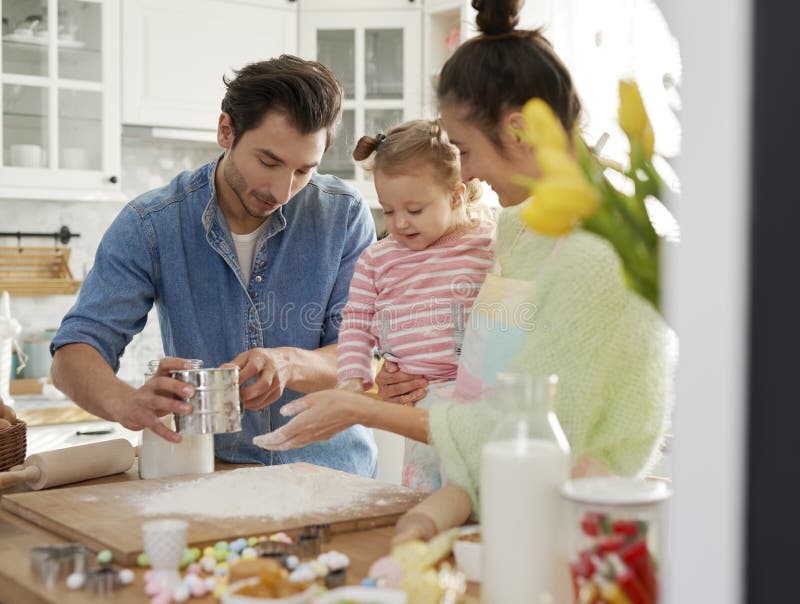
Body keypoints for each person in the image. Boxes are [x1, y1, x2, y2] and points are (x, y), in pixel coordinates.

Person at [254, 0, 676, 539]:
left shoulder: (599, 258)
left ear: (519, 131)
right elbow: (483, 388)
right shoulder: (523, 233)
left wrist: (364, 410)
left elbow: (524, 435)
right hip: (502, 518)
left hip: (579, 538)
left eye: (466, 149)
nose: (466, 171)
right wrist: (401, 387)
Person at [50, 55, 378, 477]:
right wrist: (125, 402)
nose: (282, 190)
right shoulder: (152, 223)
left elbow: (363, 358)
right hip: (211, 474)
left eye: (303, 170)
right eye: (269, 162)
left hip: (335, 476)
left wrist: (288, 363)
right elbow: (74, 352)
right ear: (226, 130)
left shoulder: (344, 215)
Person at [319, 119, 494, 493]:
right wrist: (353, 379)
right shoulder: (377, 259)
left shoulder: (488, 245)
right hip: (417, 402)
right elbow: (355, 323)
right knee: (423, 496)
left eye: (414, 210)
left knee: (480, 498)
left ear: (456, 196)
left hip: (481, 403)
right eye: (388, 210)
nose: (399, 223)